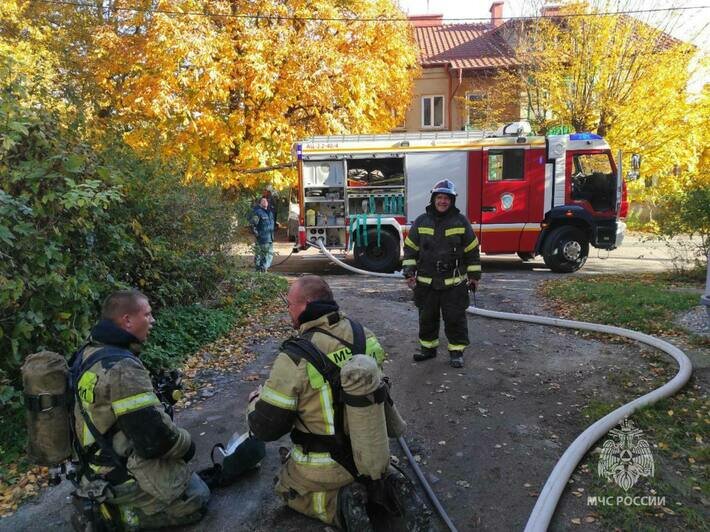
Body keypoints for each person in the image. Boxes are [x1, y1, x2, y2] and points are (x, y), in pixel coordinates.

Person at [246, 276, 429, 531]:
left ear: (306, 304)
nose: (287, 309)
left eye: (289, 304)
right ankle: (386, 485)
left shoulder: (295, 357)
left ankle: (338, 505)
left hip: (325, 467)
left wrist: (255, 402)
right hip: (370, 453)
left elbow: (267, 429)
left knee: (286, 487)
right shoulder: (364, 335)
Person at [71, 290, 209, 530]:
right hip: (117, 473)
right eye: (147, 314)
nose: (152, 320)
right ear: (127, 320)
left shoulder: (90, 352)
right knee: (196, 498)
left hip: (91, 466)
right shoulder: (123, 367)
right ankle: (118, 516)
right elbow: (155, 440)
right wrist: (187, 446)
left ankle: (102, 501)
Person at [402, 179, 481, 368]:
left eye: (446, 198)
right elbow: (410, 249)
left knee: (455, 318)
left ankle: (456, 352)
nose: (443, 201)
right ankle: (427, 349)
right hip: (426, 283)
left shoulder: (461, 221)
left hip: (454, 283)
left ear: (452, 200)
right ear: (433, 199)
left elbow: (472, 250)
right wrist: (408, 272)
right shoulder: (422, 221)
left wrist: (474, 277)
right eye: (439, 197)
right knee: (427, 317)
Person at [249, 196, 275, 272]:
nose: (265, 202)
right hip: (262, 238)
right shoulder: (258, 213)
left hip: (270, 238)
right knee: (263, 255)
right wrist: (257, 234)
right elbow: (253, 225)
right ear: (260, 203)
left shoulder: (270, 213)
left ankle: (264, 269)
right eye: (263, 201)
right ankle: (261, 270)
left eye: (266, 201)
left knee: (269, 255)